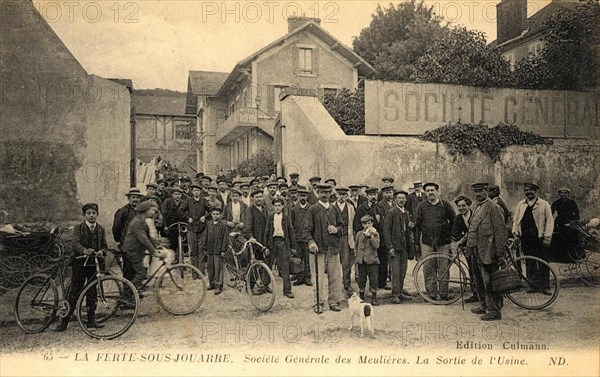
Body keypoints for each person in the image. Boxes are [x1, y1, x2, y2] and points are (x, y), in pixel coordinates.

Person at [55, 203, 108, 331]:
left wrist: (102, 252)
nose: (91, 215)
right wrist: (84, 250)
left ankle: (91, 321)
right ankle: (64, 323)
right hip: (80, 264)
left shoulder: (100, 229)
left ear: (97, 214)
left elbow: (105, 246)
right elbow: (75, 244)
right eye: (88, 213)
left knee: (92, 293)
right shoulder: (79, 228)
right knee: (74, 292)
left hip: (93, 264)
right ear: (84, 215)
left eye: (94, 213)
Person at [464, 183, 508, 321]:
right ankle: (484, 306)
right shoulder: (476, 207)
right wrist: (463, 241)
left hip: (488, 250)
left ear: (486, 191)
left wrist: (499, 253)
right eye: (475, 191)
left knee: (490, 282)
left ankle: (494, 310)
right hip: (475, 249)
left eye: (481, 191)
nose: (478, 194)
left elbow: (501, 231)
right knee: (479, 281)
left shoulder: (493, 207)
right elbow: (473, 227)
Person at [302, 183, 344, 313]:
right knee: (318, 277)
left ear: (331, 193)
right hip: (318, 250)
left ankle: (334, 301)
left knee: (335, 277)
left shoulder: (334, 209)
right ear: (318, 193)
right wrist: (311, 242)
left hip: (333, 249)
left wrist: (336, 229)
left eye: (327, 192)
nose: (324, 195)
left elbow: (342, 227)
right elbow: (306, 231)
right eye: (321, 192)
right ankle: (318, 303)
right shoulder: (313, 209)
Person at [415, 182, 456, 301]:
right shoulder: (421, 206)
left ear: (437, 191)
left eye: (432, 190)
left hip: (443, 242)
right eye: (428, 191)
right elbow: (418, 224)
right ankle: (431, 294)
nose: (430, 193)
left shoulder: (446, 205)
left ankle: (444, 294)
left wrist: (449, 236)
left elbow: (453, 221)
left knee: (444, 267)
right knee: (428, 267)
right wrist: (418, 243)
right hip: (427, 242)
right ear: (425, 193)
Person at [512, 182, 554, 294]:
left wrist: (547, 237)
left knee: (543, 261)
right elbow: (516, 220)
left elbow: (549, 221)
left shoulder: (544, 204)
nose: (528, 192)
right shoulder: (521, 204)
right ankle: (532, 284)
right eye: (526, 190)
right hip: (526, 238)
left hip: (539, 238)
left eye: (530, 190)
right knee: (529, 261)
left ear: (535, 191)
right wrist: (516, 234)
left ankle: (544, 285)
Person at [120, 200, 159, 307]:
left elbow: (148, 238)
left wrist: (156, 246)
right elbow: (143, 239)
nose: (153, 213)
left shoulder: (143, 220)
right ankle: (126, 296)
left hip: (137, 250)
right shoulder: (137, 221)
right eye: (152, 210)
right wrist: (153, 251)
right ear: (146, 210)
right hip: (132, 251)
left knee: (137, 273)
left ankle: (133, 292)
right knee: (141, 273)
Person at [383, 190, 414, 304]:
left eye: (403, 198)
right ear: (395, 200)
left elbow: (407, 230)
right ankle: (395, 294)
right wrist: (390, 246)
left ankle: (400, 292)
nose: (401, 200)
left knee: (402, 270)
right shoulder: (391, 212)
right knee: (395, 271)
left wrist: (411, 226)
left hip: (404, 247)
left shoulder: (406, 213)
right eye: (399, 198)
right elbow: (386, 231)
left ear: (406, 200)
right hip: (395, 247)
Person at [265, 197, 296, 298]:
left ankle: (287, 290)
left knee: (285, 267)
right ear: (273, 206)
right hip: (272, 243)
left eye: (279, 205)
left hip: (283, 243)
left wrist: (292, 247)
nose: (277, 207)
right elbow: (266, 232)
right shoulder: (270, 217)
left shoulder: (286, 218)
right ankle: (264, 285)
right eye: (275, 205)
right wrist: (265, 247)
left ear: (282, 206)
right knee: (268, 264)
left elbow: (291, 232)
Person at [450, 195, 479, 303]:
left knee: (480, 270)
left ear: (468, 205)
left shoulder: (475, 215)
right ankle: (475, 293)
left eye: (464, 206)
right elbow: (454, 233)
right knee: (472, 269)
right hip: (467, 247)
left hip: (479, 246)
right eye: (459, 206)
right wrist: (461, 240)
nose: (461, 208)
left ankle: (483, 293)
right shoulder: (458, 218)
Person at [179, 183, 210, 274]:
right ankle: (194, 272)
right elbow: (180, 211)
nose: (196, 192)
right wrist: (187, 218)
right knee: (193, 250)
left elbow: (211, 210)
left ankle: (201, 272)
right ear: (192, 192)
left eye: (198, 190)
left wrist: (205, 216)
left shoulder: (204, 201)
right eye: (194, 190)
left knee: (201, 250)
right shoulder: (188, 201)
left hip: (202, 228)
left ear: (200, 192)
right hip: (191, 229)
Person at [333, 187, 356, 294]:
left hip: (346, 237)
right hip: (334, 238)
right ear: (336, 195)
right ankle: (335, 285)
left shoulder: (350, 207)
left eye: (343, 195)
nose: (341, 197)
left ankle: (346, 284)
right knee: (334, 262)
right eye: (339, 195)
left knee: (346, 262)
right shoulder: (332, 206)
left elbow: (353, 223)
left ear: (346, 196)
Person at [202, 205, 229, 295]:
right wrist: (204, 247)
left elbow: (225, 239)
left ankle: (218, 285)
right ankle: (212, 283)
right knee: (210, 267)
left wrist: (223, 250)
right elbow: (205, 236)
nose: (215, 216)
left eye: (217, 214)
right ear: (211, 214)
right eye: (213, 214)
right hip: (210, 249)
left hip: (218, 250)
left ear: (220, 215)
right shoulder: (208, 224)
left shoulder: (223, 225)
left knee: (218, 268)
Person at [550, 187, 583, 262]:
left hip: (570, 223)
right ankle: (557, 258)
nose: (563, 194)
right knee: (556, 237)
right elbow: (550, 213)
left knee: (572, 237)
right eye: (561, 193)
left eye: (565, 193)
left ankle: (572, 258)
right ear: (559, 194)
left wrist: (572, 222)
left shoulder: (572, 202)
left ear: (568, 194)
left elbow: (577, 215)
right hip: (559, 223)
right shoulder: (556, 202)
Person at [355, 215, 381, 306]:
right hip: (362, 261)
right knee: (361, 279)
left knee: (373, 279)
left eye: (369, 223)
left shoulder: (375, 234)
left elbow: (376, 246)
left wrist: (371, 237)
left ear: (372, 223)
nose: (367, 225)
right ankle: (361, 296)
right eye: (364, 223)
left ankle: (374, 297)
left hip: (372, 260)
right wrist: (357, 258)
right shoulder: (359, 234)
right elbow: (356, 246)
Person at [290, 188, 312, 286]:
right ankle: (299, 277)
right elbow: (291, 224)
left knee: (307, 259)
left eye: (304, 196)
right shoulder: (294, 209)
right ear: (298, 196)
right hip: (298, 238)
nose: (303, 198)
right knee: (299, 259)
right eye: (301, 196)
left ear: (307, 197)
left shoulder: (311, 208)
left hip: (307, 238)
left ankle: (307, 277)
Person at [377, 185, 395, 290]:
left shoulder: (396, 203)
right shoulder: (380, 205)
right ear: (383, 194)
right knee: (383, 260)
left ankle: (394, 281)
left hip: (394, 235)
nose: (388, 195)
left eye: (390, 192)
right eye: (386, 193)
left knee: (393, 260)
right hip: (384, 236)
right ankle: (382, 282)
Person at [407, 181, 425, 258]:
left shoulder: (425, 195)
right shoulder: (410, 196)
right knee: (416, 237)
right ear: (414, 188)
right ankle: (417, 254)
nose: (417, 188)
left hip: (424, 220)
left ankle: (424, 253)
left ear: (421, 187)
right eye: (416, 187)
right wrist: (410, 220)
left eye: (419, 187)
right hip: (415, 220)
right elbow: (408, 209)